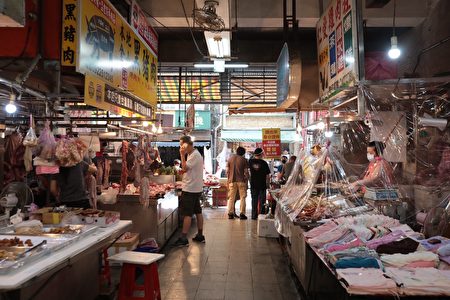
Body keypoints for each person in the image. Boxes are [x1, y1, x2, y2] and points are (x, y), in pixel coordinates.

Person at [174, 136, 205, 247]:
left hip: (190, 189)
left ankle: (183, 239)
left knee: (187, 214)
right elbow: (187, 169)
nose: (181, 147)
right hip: (195, 188)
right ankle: (200, 236)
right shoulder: (194, 154)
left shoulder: (194, 155)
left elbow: (185, 168)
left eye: (182, 144)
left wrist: (182, 155)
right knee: (198, 211)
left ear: (187, 144)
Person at [226, 147, 249, 220]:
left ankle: (230, 213)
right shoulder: (244, 160)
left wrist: (228, 180)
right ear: (243, 153)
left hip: (232, 181)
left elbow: (227, 171)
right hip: (241, 181)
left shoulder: (230, 159)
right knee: (243, 197)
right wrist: (247, 179)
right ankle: (242, 213)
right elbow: (246, 172)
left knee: (231, 198)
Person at [249, 148, 271, 220]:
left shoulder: (250, 162)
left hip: (253, 184)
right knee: (262, 201)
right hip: (262, 185)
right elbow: (268, 176)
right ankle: (261, 216)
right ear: (261, 154)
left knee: (254, 200)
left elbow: (248, 173)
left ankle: (253, 216)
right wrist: (268, 184)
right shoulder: (264, 163)